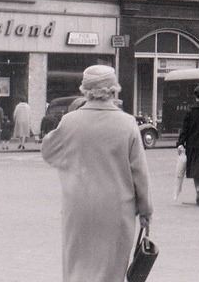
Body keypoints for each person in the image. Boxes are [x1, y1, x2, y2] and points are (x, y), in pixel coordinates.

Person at [41, 65, 152, 282]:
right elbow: (140, 173)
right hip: (117, 210)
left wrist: (71, 161)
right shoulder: (127, 124)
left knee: (77, 267)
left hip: (78, 208)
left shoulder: (70, 121)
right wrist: (146, 210)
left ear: (85, 89)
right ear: (113, 90)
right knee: (111, 269)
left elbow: (48, 151)